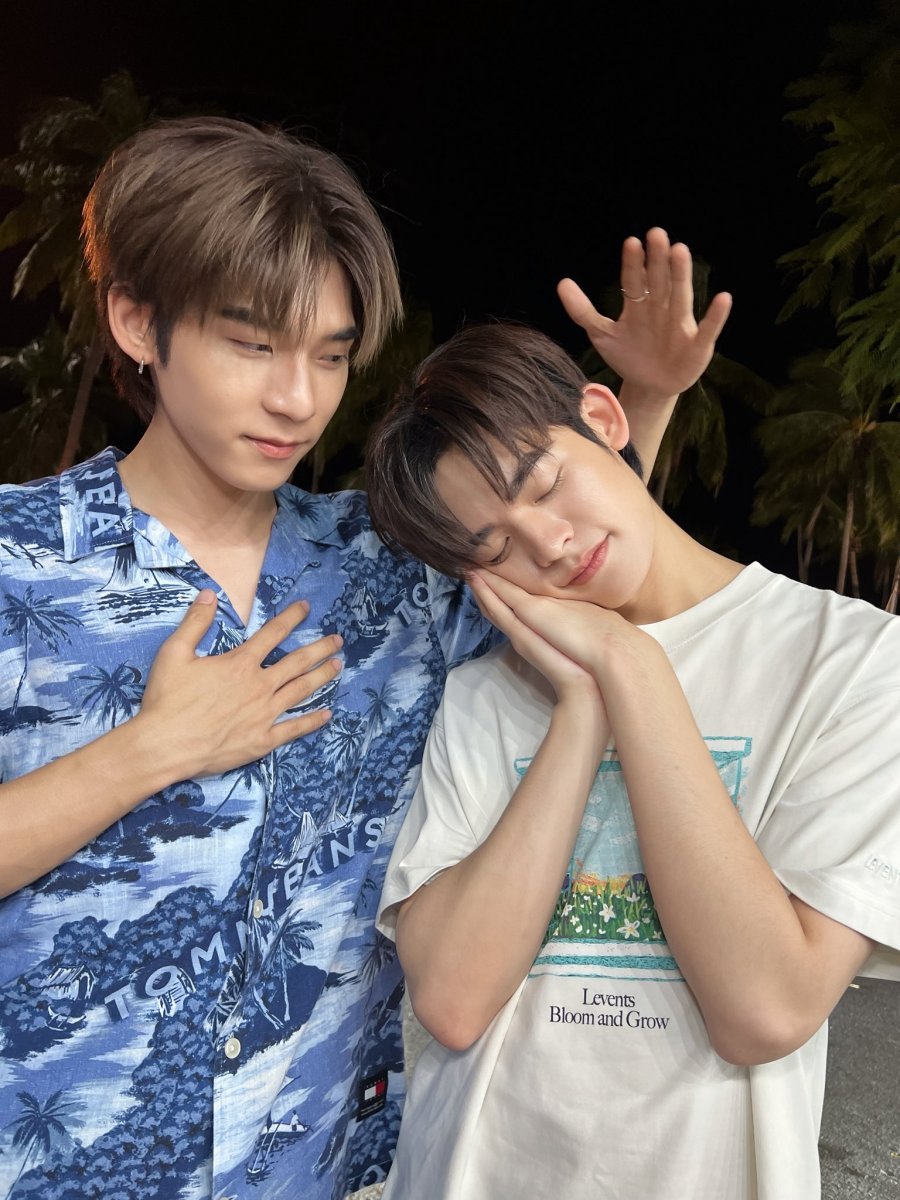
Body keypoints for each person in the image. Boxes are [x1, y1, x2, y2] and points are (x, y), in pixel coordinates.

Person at [0, 115, 726, 1198]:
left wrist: (650, 399)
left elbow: (569, 554)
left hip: (316, 1170)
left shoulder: (389, 572)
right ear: (138, 321)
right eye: (253, 346)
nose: (298, 398)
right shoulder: (19, 561)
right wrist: (150, 751)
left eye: (331, 355)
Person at [366, 319, 900, 1200]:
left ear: (607, 419)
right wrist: (582, 709)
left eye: (545, 483)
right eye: (494, 547)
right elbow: (454, 1002)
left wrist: (634, 666)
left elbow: (766, 1009)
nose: (548, 543)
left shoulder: (850, 662)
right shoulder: (484, 695)